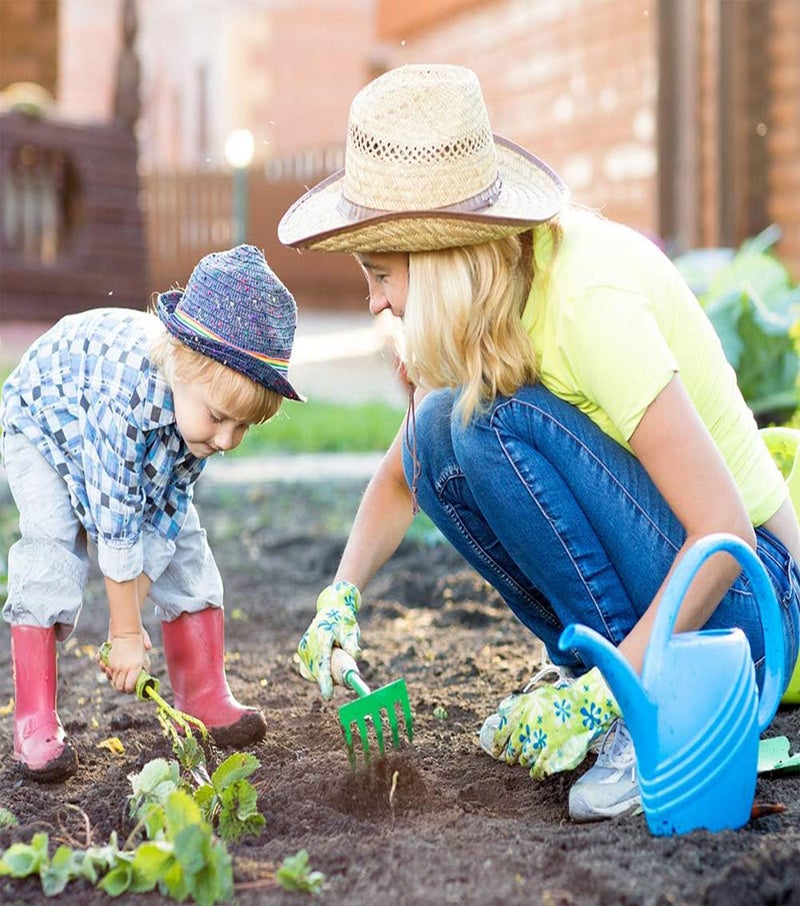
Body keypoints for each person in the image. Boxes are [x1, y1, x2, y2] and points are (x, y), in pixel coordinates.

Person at [278, 64, 800, 821]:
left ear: (443, 262)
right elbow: (404, 473)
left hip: (749, 609)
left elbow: (723, 534)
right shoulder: (507, 291)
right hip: (696, 590)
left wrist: (607, 694)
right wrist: (340, 597)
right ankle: (592, 673)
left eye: (382, 275)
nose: (375, 301)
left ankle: (639, 705)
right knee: (438, 431)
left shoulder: (589, 303)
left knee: (485, 422)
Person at [1, 244, 300, 782]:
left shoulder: (197, 419)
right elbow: (115, 523)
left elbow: (165, 515)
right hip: (45, 425)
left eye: (243, 427)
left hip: (111, 428)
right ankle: (34, 719)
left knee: (186, 547)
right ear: (180, 364)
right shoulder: (126, 400)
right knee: (51, 546)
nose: (227, 440)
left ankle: (203, 693)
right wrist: (122, 632)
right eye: (220, 418)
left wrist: (132, 619)